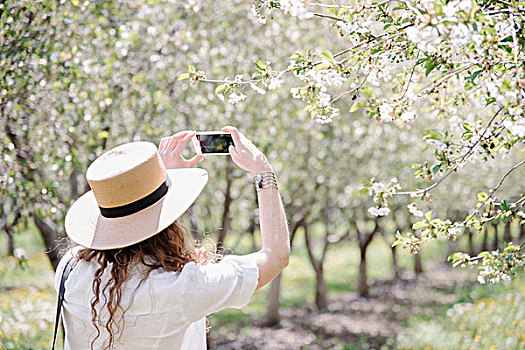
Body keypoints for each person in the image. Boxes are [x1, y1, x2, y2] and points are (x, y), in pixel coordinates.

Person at [55, 126, 290, 349]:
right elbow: (275, 256)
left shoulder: (70, 269)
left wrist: (158, 187)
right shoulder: (181, 287)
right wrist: (263, 171)